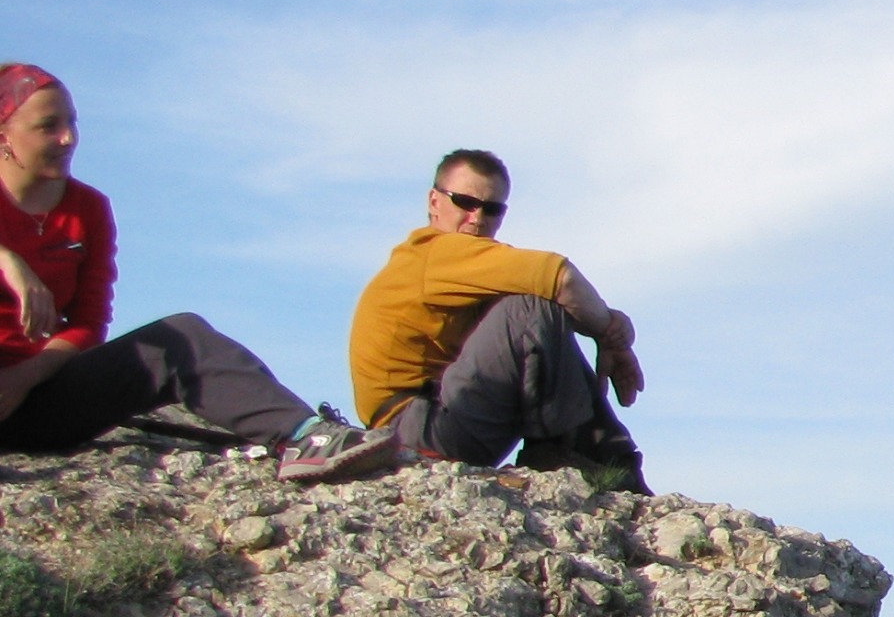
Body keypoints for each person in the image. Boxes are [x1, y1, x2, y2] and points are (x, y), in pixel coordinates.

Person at [0, 62, 397, 480]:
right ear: (4, 134)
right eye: (48, 126)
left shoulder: (89, 208)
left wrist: (26, 378)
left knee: (181, 336)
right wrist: (10, 260)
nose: (68, 138)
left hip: (35, 401)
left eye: (71, 122)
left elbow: (88, 324)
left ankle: (304, 436)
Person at [347, 149, 649, 490]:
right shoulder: (433, 254)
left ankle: (609, 461)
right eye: (464, 202)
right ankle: (574, 453)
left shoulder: (468, 271)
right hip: (411, 430)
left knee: (536, 308)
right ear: (434, 202)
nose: (477, 218)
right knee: (529, 310)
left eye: (492, 209)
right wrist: (611, 333)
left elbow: (561, 296)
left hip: (446, 419)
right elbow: (559, 277)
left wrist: (603, 325)